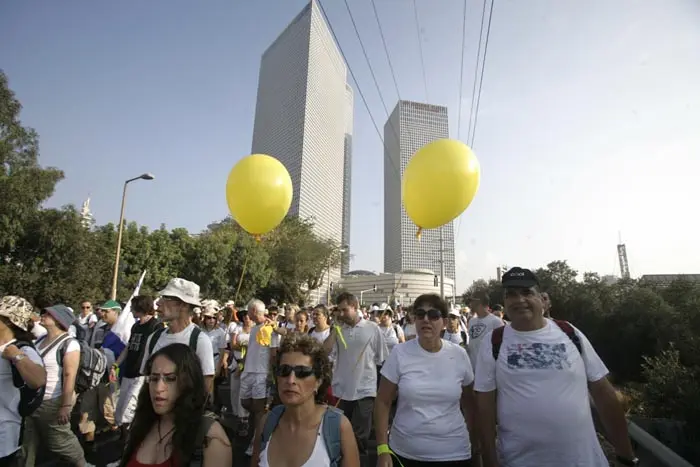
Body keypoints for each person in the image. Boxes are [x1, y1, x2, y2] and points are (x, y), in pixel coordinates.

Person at [475, 267, 637, 467]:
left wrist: (626, 455)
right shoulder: (493, 342)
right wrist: (490, 461)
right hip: (519, 460)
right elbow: (484, 408)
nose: (519, 300)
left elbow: (603, 393)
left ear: (542, 299)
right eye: (511, 295)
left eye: (527, 292)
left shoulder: (570, 333)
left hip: (583, 460)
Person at [375, 294, 478, 467]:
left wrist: (476, 443)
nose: (426, 320)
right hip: (405, 452)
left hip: (454, 453)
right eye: (420, 314)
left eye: (433, 315)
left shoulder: (459, 355)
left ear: (444, 322)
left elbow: (470, 403)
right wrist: (382, 449)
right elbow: (383, 402)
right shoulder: (399, 353)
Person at [252, 334, 360, 467]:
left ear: (318, 381)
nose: (291, 380)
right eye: (284, 370)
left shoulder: (339, 427)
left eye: (302, 372)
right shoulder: (267, 423)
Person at [120, 344, 231, 466]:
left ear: (188, 382)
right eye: (154, 378)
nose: (158, 388)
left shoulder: (210, 437)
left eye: (170, 379)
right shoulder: (143, 423)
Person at [0, 296, 47, 467]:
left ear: (10, 322)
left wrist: (16, 356)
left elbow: (38, 380)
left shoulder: (22, 348)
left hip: (4, 438)